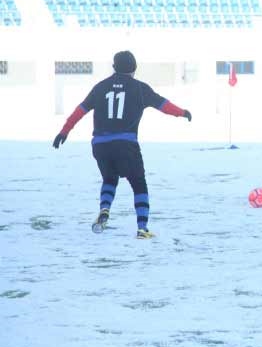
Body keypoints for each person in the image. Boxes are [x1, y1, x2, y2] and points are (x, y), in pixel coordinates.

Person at [52, 51, 191, 238]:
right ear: (134, 68)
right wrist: (182, 112)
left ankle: (104, 209)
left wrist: (64, 131)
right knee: (138, 183)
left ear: (114, 67)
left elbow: (80, 111)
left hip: (100, 145)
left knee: (110, 178)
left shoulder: (100, 87)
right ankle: (142, 228)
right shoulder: (140, 88)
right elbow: (163, 105)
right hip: (126, 144)